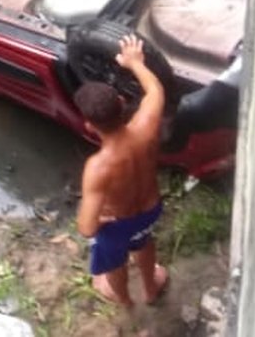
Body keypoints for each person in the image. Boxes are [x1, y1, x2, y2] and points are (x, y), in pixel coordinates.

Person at [74, 34, 169, 307]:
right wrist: (135, 63)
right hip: (150, 210)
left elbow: (86, 227)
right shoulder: (147, 125)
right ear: (121, 101)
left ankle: (124, 299)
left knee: (115, 262)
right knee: (143, 242)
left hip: (119, 225)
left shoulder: (98, 168)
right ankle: (151, 287)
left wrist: (101, 218)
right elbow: (155, 90)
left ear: (89, 125)